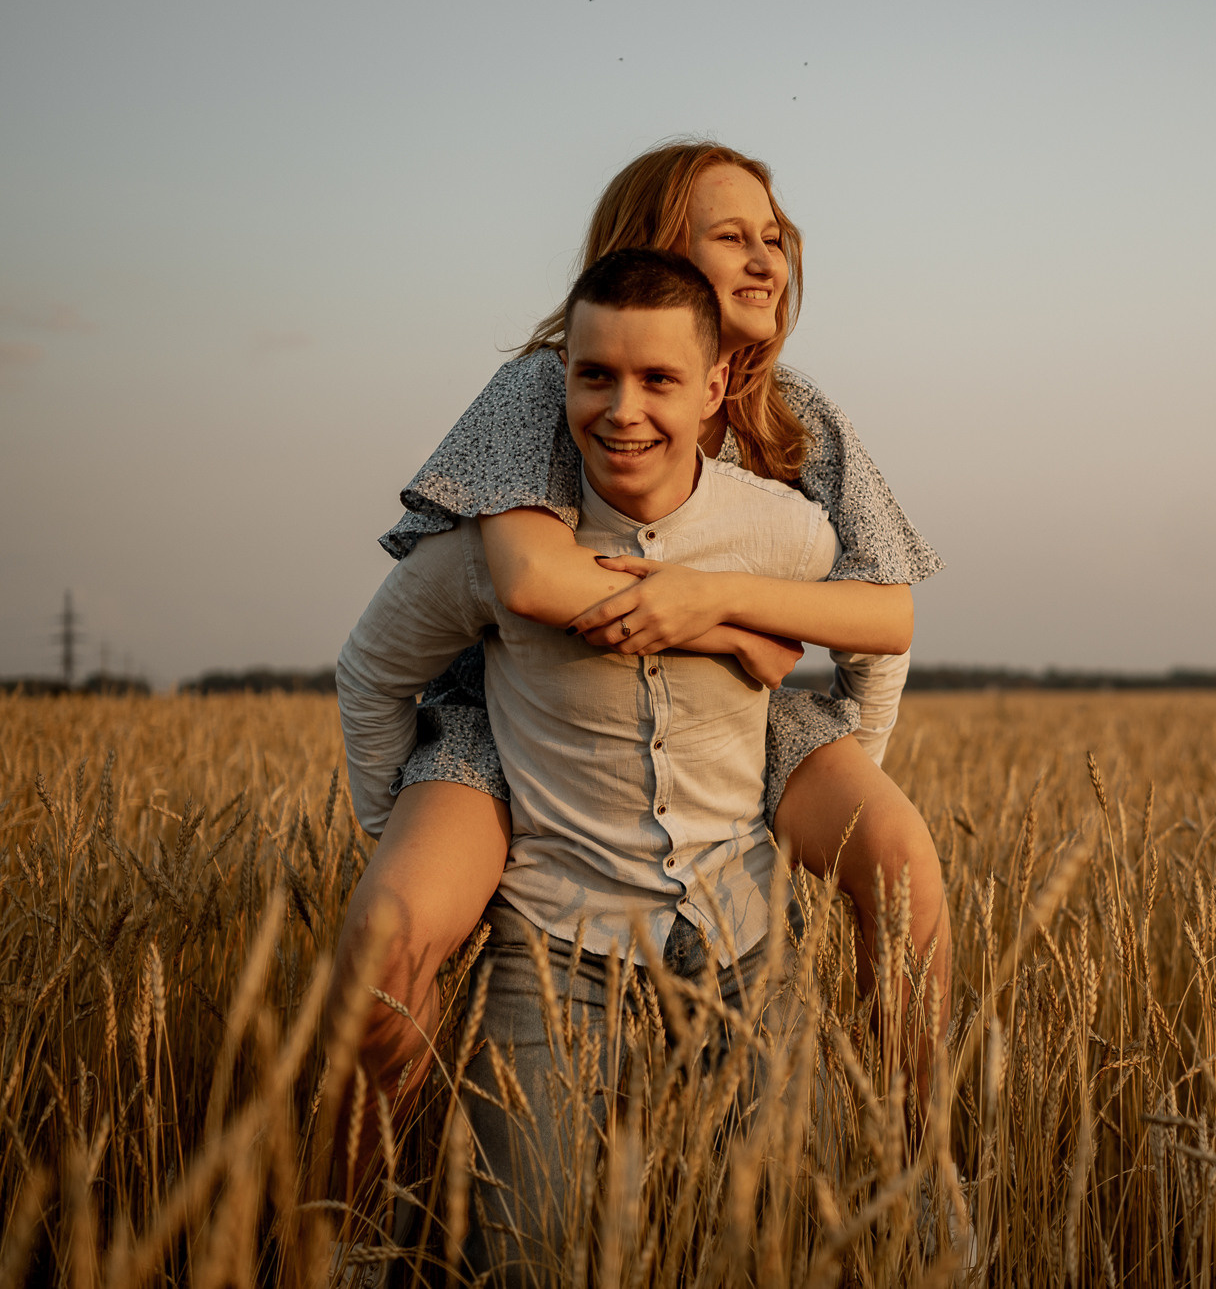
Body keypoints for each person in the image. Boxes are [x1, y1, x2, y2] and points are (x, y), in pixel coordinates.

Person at [327, 141, 950, 1185]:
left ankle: (919, 1168)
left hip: (753, 715)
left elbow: (880, 603)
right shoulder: (543, 386)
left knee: (902, 857)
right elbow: (523, 576)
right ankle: (357, 1204)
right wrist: (725, 625)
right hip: (524, 698)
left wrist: (828, 724)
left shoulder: (802, 414)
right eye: (729, 237)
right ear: (650, 252)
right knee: (388, 938)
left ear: (707, 383)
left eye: (774, 238)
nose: (764, 260)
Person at [339, 248, 835, 1280]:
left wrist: (827, 757)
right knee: (527, 1255)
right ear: (559, 380)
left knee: (793, 1244)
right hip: (557, 950)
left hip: (744, 937)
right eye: (594, 375)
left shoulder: (784, 533)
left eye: (657, 379)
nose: (622, 409)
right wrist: (390, 827)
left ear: (712, 387)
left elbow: (875, 637)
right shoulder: (498, 548)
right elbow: (372, 671)